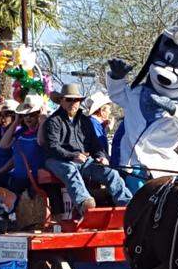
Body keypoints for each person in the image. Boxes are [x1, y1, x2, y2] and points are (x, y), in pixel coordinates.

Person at [43, 83, 132, 216]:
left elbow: (95, 144)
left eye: (76, 100)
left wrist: (101, 156)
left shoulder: (85, 121)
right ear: (61, 101)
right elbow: (52, 147)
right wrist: (72, 155)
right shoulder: (53, 121)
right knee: (70, 170)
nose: (73, 103)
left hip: (83, 160)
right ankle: (85, 204)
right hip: (57, 160)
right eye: (69, 99)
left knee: (111, 173)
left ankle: (129, 205)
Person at [83, 91, 113, 156]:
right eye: (108, 109)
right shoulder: (93, 123)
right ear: (102, 111)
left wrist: (104, 128)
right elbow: (98, 145)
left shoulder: (92, 122)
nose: (110, 112)